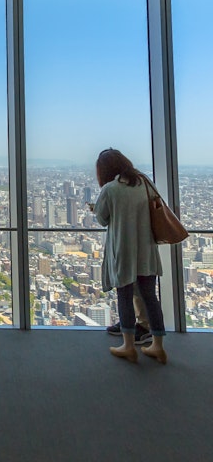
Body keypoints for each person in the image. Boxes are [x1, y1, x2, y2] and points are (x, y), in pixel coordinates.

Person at [92, 148, 167, 364]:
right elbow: (156, 208)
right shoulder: (145, 183)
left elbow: (102, 219)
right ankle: (158, 346)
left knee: (124, 296)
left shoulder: (110, 189)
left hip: (123, 250)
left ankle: (128, 346)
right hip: (146, 248)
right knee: (150, 297)